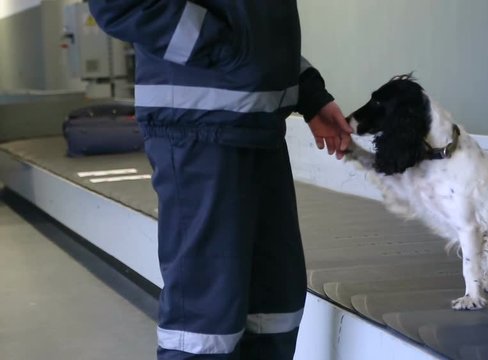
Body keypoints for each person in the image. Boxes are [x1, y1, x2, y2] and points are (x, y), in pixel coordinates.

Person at [88, 1, 352, 359]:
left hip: (257, 127)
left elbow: (255, 21)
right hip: (198, 131)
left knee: (274, 308)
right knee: (205, 322)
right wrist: (227, 48)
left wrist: (308, 92)